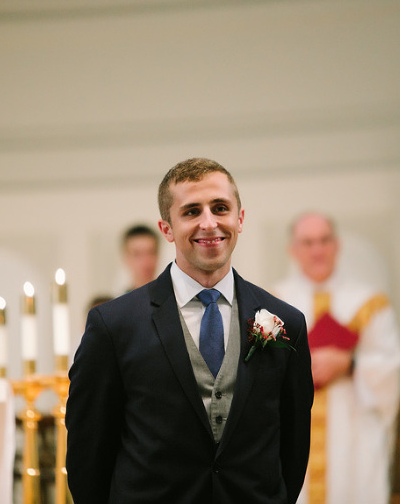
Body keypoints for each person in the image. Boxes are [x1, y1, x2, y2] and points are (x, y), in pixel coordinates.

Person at [66, 157, 313, 504]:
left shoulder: (287, 322)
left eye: (220, 208)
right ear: (166, 228)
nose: (209, 223)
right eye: (192, 211)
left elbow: (294, 443)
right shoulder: (113, 325)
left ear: (240, 219)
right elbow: (88, 451)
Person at [273, 212, 400, 504]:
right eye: (307, 242)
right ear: (292, 250)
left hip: (352, 428)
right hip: (295, 428)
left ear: (337, 245)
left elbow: (390, 365)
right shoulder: (273, 303)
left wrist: (349, 364)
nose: (317, 250)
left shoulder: (369, 301)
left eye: (324, 240)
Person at [120, 224, 160, 292]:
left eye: (151, 253)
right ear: (126, 258)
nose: (145, 261)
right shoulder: (119, 302)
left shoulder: (175, 299)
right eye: (137, 254)